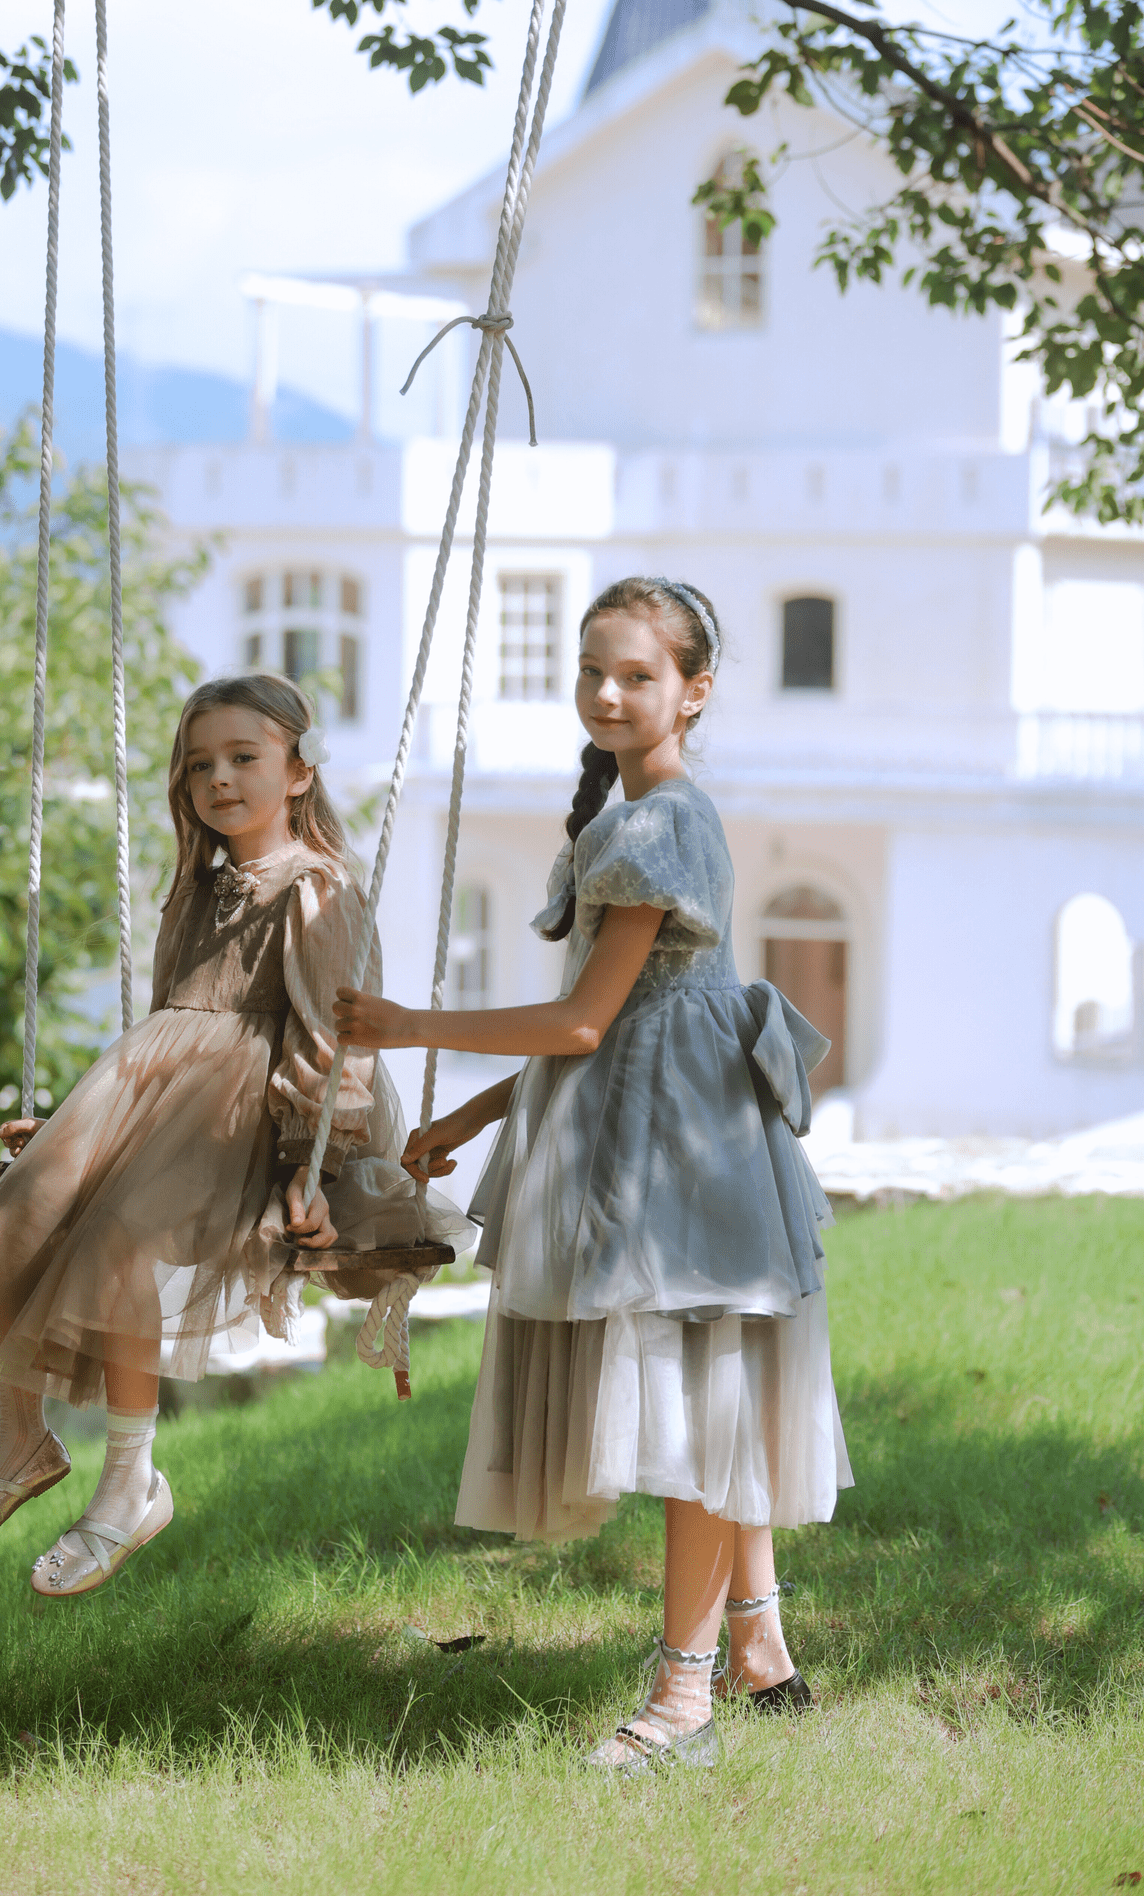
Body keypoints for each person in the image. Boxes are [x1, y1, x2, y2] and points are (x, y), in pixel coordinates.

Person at [335, 577, 852, 1770]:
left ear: (694, 689)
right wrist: (469, 1106)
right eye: (592, 671)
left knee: (694, 1414)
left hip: (678, 1156)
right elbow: (612, 1028)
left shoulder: (663, 822)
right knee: (706, 1390)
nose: (608, 693)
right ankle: (760, 1647)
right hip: (648, 1117)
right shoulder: (625, 819)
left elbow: (584, 1025)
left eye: (636, 674)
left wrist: (413, 1023)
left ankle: (684, 1703)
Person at [0, 672, 461, 1596]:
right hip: (161, 1100)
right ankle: (21, 1440)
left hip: (248, 1118)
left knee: (122, 1243)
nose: (218, 779)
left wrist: (314, 1165)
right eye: (199, 766)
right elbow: (164, 1035)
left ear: (298, 772)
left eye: (243, 758)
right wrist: (76, 1127)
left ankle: (132, 1480)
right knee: (21, 1206)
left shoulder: (316, 887)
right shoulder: (198, 887)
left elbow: (333, 1041)